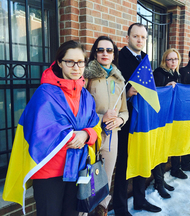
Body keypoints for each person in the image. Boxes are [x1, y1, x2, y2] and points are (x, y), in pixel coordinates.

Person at [4, 40, 101, 216]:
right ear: (59, 63)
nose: (76, 67)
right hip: (49, 170)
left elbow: (95, 126)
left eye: (80, 62)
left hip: (77, 168)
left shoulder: (86, 96)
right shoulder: (45, 93)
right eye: (69, 61)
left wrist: (87, 134)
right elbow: (38, 131)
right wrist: (73, 136)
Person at [113, 23, 161, 216]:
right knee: (123, 165)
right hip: (125, 121)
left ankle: (140, 201)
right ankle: (120, 208)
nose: (140, 40)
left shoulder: (145, 59)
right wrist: (127, 92)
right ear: (128, 38)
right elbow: (111, 90)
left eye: (143, 37)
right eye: (136, 37)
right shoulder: (118, 58)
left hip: (143, 121)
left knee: (142, 158)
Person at [84, 36, 129, 216]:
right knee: (87, 181)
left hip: (112, 136)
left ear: (114, 54)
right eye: (100, 50)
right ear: (95, 53)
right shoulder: (87, 76)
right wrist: (102, 117)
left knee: (105, 180)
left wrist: (120, 120)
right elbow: (79, 110)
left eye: (109, 50)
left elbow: (125, 111)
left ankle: (102, 211)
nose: (105, 53)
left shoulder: (119, 80)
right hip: (91, 134)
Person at [152, 48, 181, 198]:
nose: (173, 62)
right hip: (159, 118)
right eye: (170, 59)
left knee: (165, 150)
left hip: (171, 117)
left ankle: (161, 180)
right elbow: (154, 94)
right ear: (165, 60)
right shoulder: (159, 72)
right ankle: (158, 182)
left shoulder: (177, 74)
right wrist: (166, 88)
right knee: (159, 150)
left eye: (175, 59)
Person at [169, 47, 190, 178]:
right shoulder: (183, 71)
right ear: (189, 58)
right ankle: (175, 168)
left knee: (189, 137)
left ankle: (186, 163)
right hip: (180, 113)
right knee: (179, 139)